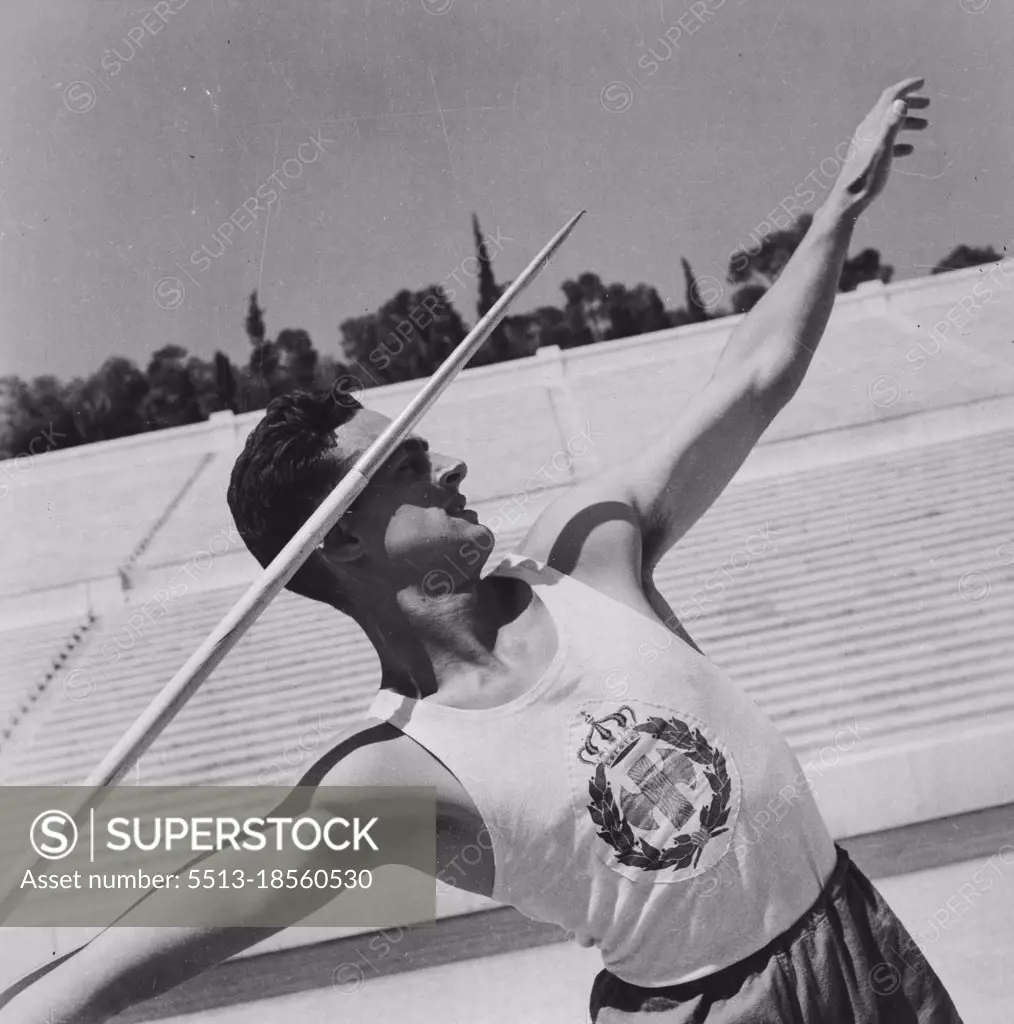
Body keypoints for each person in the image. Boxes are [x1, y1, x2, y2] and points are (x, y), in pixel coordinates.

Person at [1, 76, 963, 1023]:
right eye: (411, 465)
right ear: (338, 537)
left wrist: (839, 204)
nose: (456, 465)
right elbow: (119, 967)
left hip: (856, 936)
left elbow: (752, 375)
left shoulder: (589, 553)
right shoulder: (394, 773)